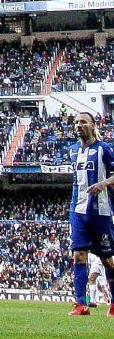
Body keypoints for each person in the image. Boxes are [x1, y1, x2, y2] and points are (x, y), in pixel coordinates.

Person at [66, 112, 114, 316]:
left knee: (107, 259)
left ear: (93, 125)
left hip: (100, 213)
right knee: (78, 255)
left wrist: (104, 183)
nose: (79, 125)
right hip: (77, 211)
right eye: (76, 122)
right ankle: (80, 304)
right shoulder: (73, 151)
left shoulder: (104, 149)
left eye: (83, 122)